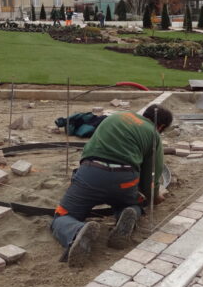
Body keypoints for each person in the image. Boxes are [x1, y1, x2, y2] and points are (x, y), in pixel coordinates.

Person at [51, 104, 173, 267]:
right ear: (161, 126)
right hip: (124, 180)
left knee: (62, 215)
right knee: (133, 203)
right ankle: (128, 213)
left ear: (145, 114)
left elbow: (90, 147)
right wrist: (154, 197)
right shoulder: (153, 134)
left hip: (90, 175)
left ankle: (76, 231)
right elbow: (151, 176)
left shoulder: (115, 117)